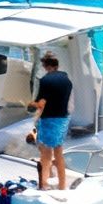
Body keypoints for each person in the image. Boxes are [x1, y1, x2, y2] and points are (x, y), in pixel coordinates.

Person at [29, 53, 74, 191]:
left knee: (46, 153)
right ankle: (62, 185)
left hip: (49, 119)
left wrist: (31, 104)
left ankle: (43, 184)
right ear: (57, 65)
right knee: (59, 152)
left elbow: (40, 103)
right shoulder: (67, 79)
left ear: (45, 66)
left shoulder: (45, 80)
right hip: (63, 119)